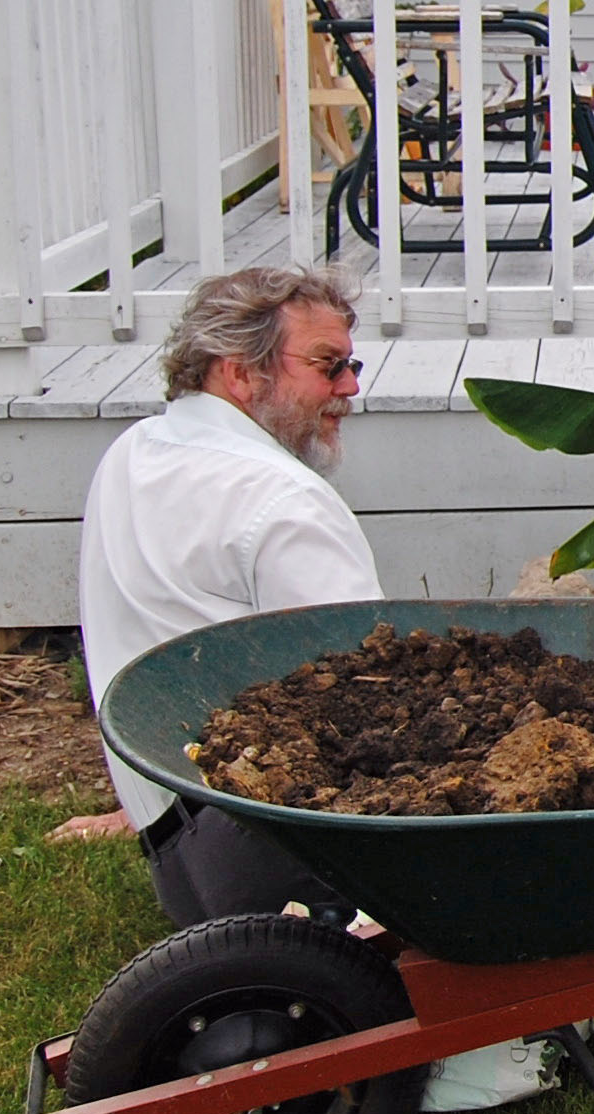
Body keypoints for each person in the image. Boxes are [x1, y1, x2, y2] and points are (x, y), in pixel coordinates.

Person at [56, 266, 377, 925]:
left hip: (177, 846)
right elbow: (368, 698)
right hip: (276, 859)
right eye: (328, 365)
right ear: (239, 374)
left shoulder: (132, 451)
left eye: (352, 364)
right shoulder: (286, 503)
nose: (349, 387)